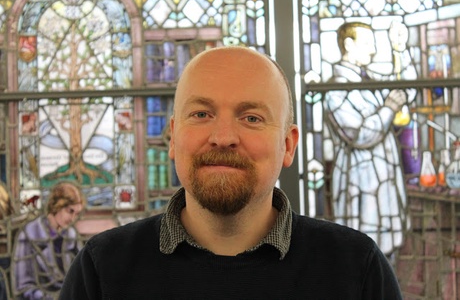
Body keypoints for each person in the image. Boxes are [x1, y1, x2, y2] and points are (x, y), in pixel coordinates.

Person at [59, 46, 402, 299]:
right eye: (202, 114)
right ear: (174, 137)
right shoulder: (101, 269)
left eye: (251, 118)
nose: (223, 138)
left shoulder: (356, 268)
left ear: (288, 144)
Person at [324, 22, 412, 255]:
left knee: (386, 251)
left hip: (384, 178)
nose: (373, 50)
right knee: (361, 252)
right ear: (348, 45)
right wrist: (388, 109)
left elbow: (407, 91)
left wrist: (401, 50)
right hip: (360, 180)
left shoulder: (369, 80)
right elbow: (359, 135)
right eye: (368, 43)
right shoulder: (335, 90)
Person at [12, 181, 85, 300]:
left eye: (76, 214)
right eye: (70, 211)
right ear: (57, 205)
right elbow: (23, 286)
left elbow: (83, 273)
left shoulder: (71, 235)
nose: (73, 219)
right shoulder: (29, 233)